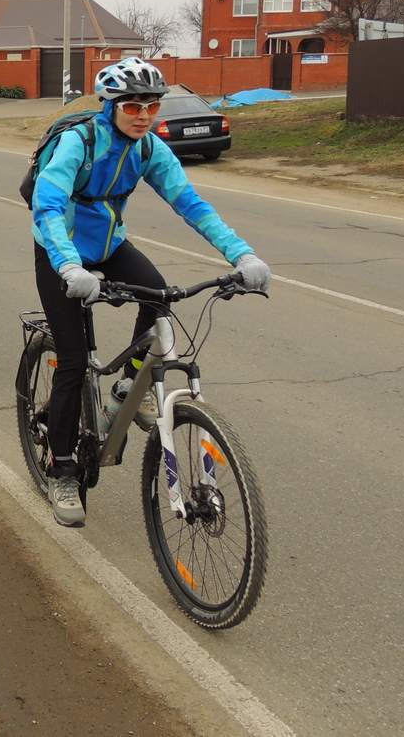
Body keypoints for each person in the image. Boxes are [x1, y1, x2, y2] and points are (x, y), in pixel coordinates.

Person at [31, 57, 271, 527]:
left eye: (152, 106)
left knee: (158, 298)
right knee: (74, 361)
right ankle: (62, 470)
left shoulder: (148, 148)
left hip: (108, 246)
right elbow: (48, 203)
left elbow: (190, 203)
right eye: (133, 106)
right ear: (111, 106)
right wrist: (69, 265)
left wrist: (242, 255)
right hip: (60, 251)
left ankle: (127, 386)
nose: (143, 115)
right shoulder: (79, 142)